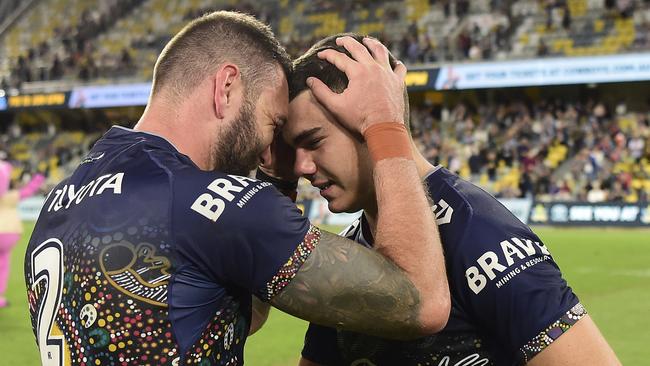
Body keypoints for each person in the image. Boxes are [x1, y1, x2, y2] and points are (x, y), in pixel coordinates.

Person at [24, 12, 450, 366]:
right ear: (227, 86)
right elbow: (420, 302)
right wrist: (385, 123)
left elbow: (228, 312)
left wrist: (280, 181)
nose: (271, 149)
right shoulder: (209, 204)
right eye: (275, 125)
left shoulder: (67, 195)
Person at [286, 33, 621, 366]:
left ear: (368, 120)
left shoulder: (484, 238)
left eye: (314, 142)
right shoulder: (352, 250)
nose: (301, 166)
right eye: (292, 150)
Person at [0, 161, 44, 308]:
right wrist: (38, 178)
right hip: (8, 233)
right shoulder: (10, 197)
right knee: (3, 266)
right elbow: (28, 191)